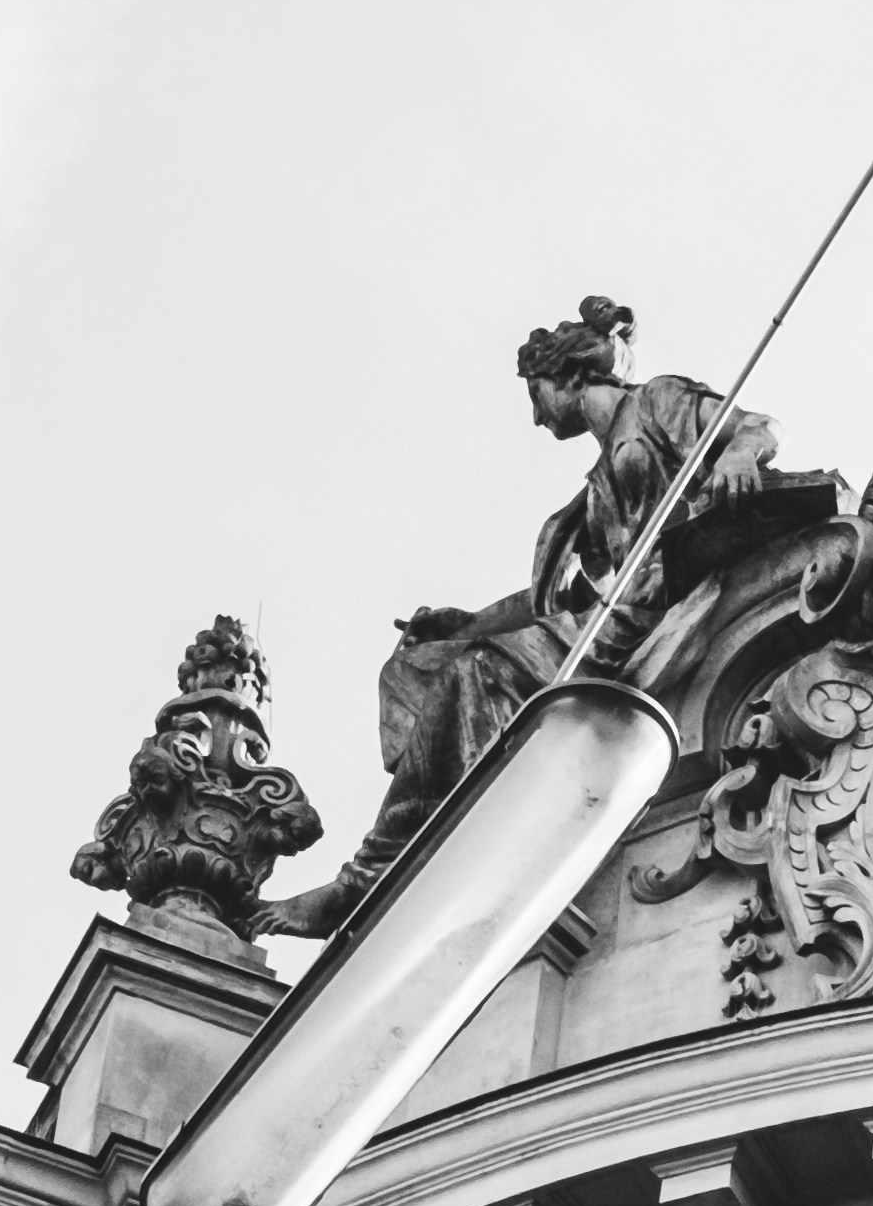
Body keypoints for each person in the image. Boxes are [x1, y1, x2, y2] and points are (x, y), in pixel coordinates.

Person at [274, 299, 802, 937]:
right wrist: (466, 621)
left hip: (664, 599)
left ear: (573, 377)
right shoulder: (596, 486)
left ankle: (428, 857)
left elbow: (757, 427)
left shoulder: (658, 401)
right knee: (420, 666)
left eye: (536, 393)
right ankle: (395, 860)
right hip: (612, 613)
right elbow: (564, 600)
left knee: (476, 677)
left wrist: (739, 457)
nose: (535, 415)